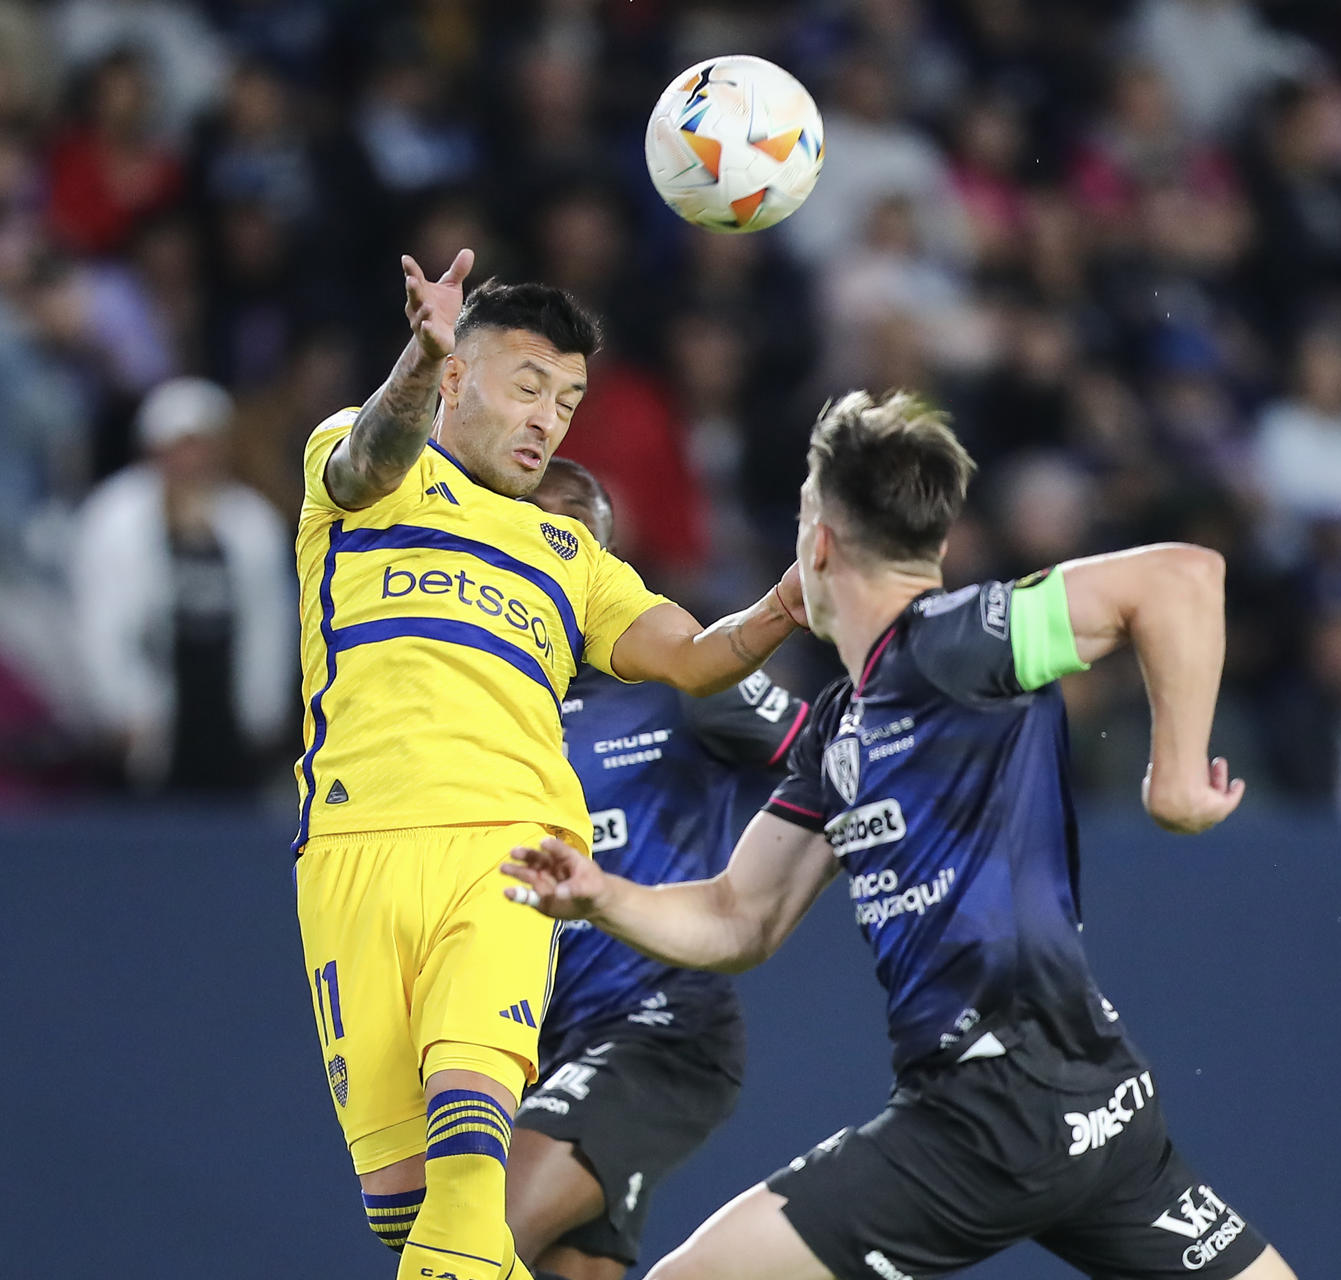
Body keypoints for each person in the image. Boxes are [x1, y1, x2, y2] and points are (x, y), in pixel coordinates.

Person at [503, 390, 1297, 1280]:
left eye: (806, 509)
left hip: (991, 1114)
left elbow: (1181, 576)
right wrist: (600, 895)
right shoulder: (845, 722)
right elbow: (737, 918)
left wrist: (1177, 776)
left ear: (821, 545)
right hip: (1094, 1104)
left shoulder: (953, 644)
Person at [292, 249, 806, 1280]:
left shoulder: (570, 554)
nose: (547, 419)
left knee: (479, 1150)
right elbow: (368, 459)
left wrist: (789, 600)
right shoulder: (357, 465)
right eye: (528, 386)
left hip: (508, 855)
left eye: (567, 401)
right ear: (453, 377)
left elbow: (699, 657)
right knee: (409, 1217)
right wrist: (416, 354)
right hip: (346, 859)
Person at [506, 459, 811, 1280]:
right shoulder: (477, 710)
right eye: (534, 522)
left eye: (579, 530)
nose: (555, 538)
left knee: (477, 1240)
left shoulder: (681, 683)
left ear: (605, 565)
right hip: (530, 1047)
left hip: (658, 1028)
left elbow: (835, 755)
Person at [71, 375, 294, 791]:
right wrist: (116, 706)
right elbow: (100, 622)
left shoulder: (251, 521)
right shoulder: (114, 518)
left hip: (226, 720)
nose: (192, 459)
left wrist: (263, 709)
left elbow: (269, 625)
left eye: (202, 444)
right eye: (181, 445)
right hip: (146, 723)